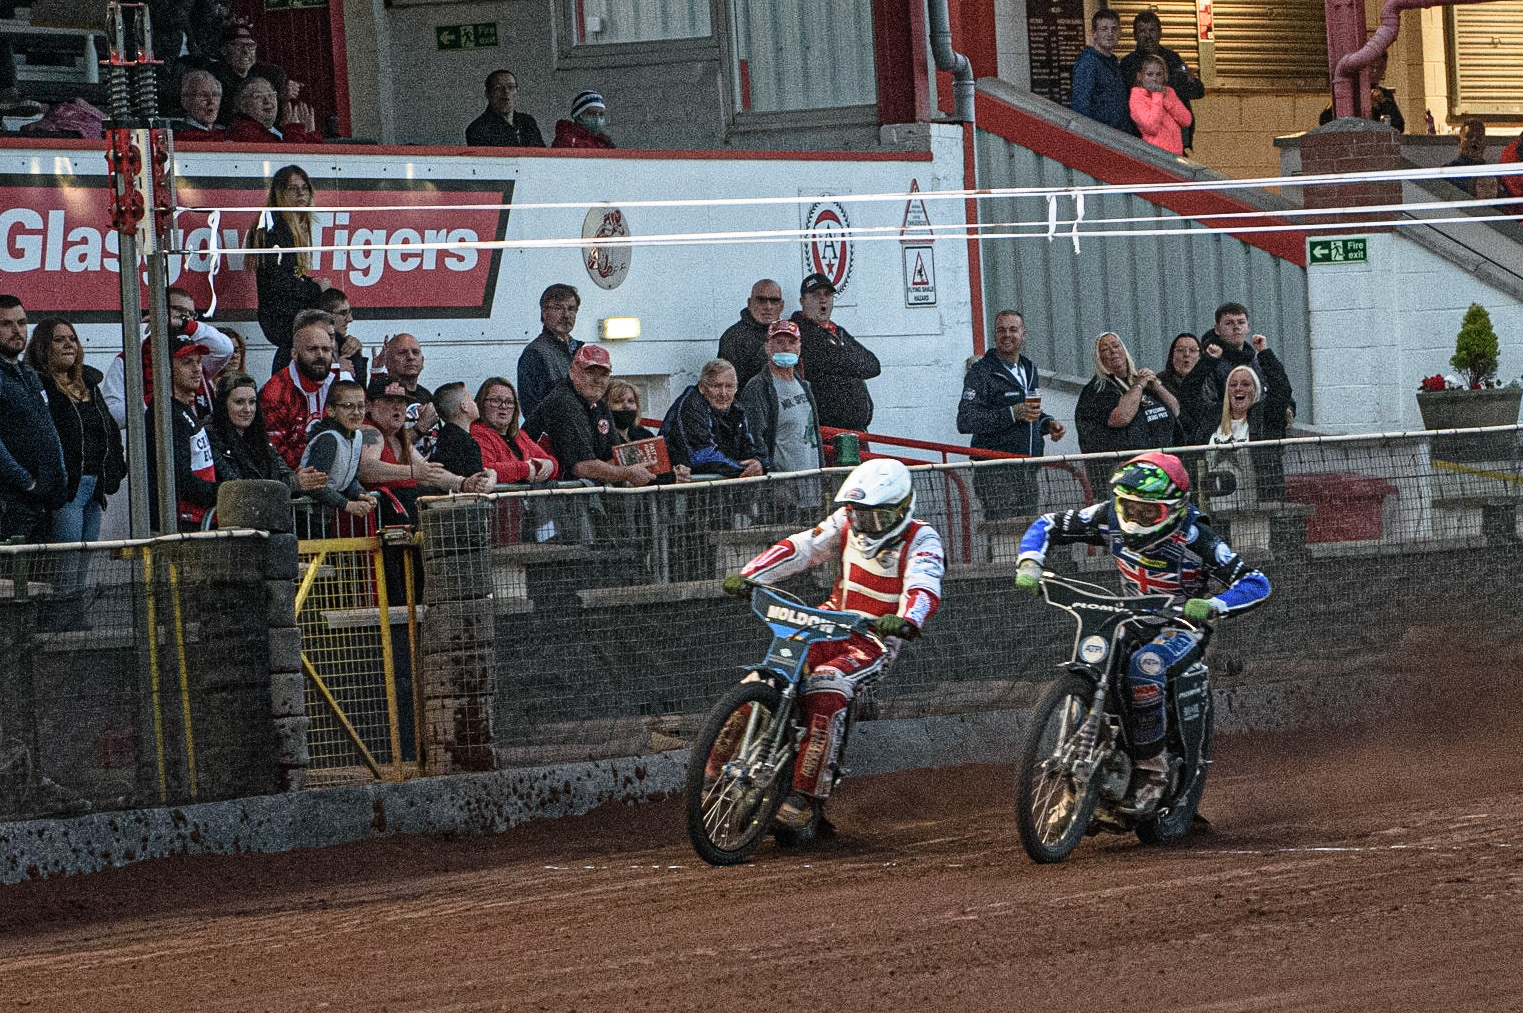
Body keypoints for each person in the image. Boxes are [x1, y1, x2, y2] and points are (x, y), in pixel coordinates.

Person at [1016, 452, 1270, 805]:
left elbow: (1255, 582)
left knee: (1145, 666)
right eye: (1128, 508)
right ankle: (1077, 783)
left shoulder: (1197, 537)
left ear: (1175, 509)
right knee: (1092, 659)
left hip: (1182, 625)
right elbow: (1048, 524)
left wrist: (1214, 604)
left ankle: (1153, 769)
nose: (1134, 519)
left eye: (1147, 513)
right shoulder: (1108, 516)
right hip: (1127, 618)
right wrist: (1030, 562)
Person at [723, 459, 944, 830]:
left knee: (827, 687)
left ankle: (804, 798)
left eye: (876, 518)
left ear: (902, 510)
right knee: (764, 678)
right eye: (858, 515)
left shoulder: (923, 539)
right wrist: (751, 574)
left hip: (874, 638)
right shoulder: (844, 520)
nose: (864, 525)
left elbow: (924, 584)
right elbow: (804, 547)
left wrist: (908, 619)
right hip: (827, 622)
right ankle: (711, 773)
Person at [957, 310, 1066, 519]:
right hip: (995, 472)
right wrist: (1011, 413)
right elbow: (966, 420)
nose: (1007, 335)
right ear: (995, 335)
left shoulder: (1029, 368)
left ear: (1023, 335)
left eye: (1013, 329)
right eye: (1001, 330)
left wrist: (1047, 423)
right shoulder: (981, 373)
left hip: (1029, 469)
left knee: (1026, 531)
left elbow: (1031, 410)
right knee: (1003, 532)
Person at [24, 318, 125, 542]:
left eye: (72, 339)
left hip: (95, 487)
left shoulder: (89, 385)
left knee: (86, 557)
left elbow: (110, 430)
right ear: (43, 347)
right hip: (66, 490)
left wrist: (117, 470)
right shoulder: (38, 386)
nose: (69, 344)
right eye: (59, 340)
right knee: (66, 559)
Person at [522, 344, 654, 487]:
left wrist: (648, 463)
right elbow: (581, 467)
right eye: (590, 372)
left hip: (568, 491)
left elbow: (614, 457)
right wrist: (627, 473)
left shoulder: (600, 405)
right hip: (544, 491)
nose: (598, 380)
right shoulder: (564, 401)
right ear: (572, 373)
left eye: (604, 374)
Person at [104, 285, 236, 427]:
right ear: (158, 310)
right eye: (179, 310)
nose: (185, 317)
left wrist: (186, 325)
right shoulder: (129, 360)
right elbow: (112, 414)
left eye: (190, 314)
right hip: (153, 437)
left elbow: (226, 349)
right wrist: (161, 402)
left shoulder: (197, 353)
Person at [247, 165, 330, 374]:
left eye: (305, 188)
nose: (301, 193)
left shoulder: (289, 224)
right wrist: (315, 289)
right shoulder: (274, 227)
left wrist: (311, 282)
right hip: (281, 317)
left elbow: (289, 274)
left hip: (285, 315)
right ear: (279, 192)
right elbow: (279, 281)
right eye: (293, 188)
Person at [0, 296, 67, 542]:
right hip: (10, 503)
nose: (17, 330)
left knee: (42, 568)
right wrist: (26, 482)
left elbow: (48, 429)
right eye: (6, 324)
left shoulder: (29, 374)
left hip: (42, 499)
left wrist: (59, 478)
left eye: (21, 322)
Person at [147, 333, 221, 532]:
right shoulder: (166, 413)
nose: (197, 369)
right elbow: (178, 478)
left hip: (199, 518)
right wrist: (222, 492)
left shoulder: (182, 408)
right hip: (182, 522)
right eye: (187, 362)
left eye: (198, 361)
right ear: (166, 368)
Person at [207, 372, 327, 494]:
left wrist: (299, 480)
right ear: (223, 404)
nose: (247, 409)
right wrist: (294, 483)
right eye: (239, 402)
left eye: (252, 402)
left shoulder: (258, 436)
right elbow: (238, 489)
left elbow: (285, 472)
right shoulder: (210, 437)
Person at [791, 273, 880, 432]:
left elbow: (873, 365)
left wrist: (847, 363)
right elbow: (833, 359)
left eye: (827, 294)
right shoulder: (799, 332)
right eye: (815, 295)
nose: (822, 299)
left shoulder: (837, 331)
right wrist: (852, 362)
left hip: (856, 429)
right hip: (825, 431)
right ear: (802, 301)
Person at [260, 310, 344, 469]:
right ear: (294, 353)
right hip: (294, 475)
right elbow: (274, 449)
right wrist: (302, 475)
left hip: (336, 470)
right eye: (312, 349)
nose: (320, 355)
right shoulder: (276, 391)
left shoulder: (339, 383)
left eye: (326, 350)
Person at [1199, 303, 1295, 439]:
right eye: (1229, 323)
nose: (1236, 327)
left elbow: (1281, 390)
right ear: (1217, 329)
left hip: (1260, 429)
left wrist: (1287, 409)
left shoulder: (1260, 362)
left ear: (1248, 327)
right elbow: (1206, 402)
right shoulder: (1209, 363)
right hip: (1224, 430)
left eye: (1241, 322)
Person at [738, 319, 823, 474]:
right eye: (779, 342)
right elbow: (753, 436)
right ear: (767, 347)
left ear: (799, 348)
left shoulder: (804, 385)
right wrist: (766, 468)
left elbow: (814, 433)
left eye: (792, 342)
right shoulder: (758, 387)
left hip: (812, 477)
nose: (786, 347)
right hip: (781, 481)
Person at [1076, 332, 1180, 455]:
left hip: (1163, 457)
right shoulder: (1096, 390)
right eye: (1105, 349)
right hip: (1125, 461)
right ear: (1099, 358)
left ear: (1124, 351)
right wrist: (1139, 386)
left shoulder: (1142, 381)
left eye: (1116, 346)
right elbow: (1122, 418)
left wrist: (1156, 386)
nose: (1112, 351)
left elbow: (1175, 410)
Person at [660, 360, 765, 479]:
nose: (723, 393)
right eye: (717, 386)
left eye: (729, 386)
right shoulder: (691, 406)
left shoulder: (737, 409)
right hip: (681, 483)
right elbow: (701, 456)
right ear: (702, 387)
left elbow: (750, 447)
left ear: (736, 388)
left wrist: (758, 463)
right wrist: (744, 469)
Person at [1118, 11, 1204, 149]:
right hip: (1143, 139)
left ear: (1160, 32)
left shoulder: (1173, 58)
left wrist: (1180, 84)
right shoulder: (1128, 64)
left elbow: (1198, 90)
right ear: (1135, 35)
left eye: (1152, 30)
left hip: (1175, 138)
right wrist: (1174, 84)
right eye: (1142, 31)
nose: (1148, 36)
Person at [299, 380, 376, 520]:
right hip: (306, 517)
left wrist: (360, 494)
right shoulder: (328, 439)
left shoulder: (358, 436)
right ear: (331, 410)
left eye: (361, 406)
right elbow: (314, 485)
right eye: (348, 406)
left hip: (327, 515)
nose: (356, 412)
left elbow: (350, 478)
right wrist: (346, 504)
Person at [471, 378, 558, 484]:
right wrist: (525, 469)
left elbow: (546, 459)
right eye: (496, 401)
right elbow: (485, 469)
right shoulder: (476, 433)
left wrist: (550, 465)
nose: (503, 406)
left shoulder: (520, 435)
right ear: (481, 404)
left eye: (509, 402)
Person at [517, 283, 584, 418]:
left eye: (571, 308)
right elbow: (531, 409)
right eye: (558, 308)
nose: (566, 315)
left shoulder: (582, 350)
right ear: (544, 311)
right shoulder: (535, 353)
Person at [1070, 8, 1134, 135]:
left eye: (1114, 29)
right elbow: (1081, 107)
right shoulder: (1088, 63)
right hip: (1100, 139)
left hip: (1119, 138)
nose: (1110, 33)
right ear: (1094, 33)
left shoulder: (1113, 62)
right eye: (1104, 29)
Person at [426, 382, 498, 494]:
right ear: (464, 406)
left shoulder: (443, 436)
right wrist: (493, 475)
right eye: (472, 400)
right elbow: (477, 485)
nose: (476, 403)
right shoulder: (467, 443)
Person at [718, 279, 786, 390]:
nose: (768, 306)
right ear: (749, 303)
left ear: (781, 306)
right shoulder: (733, 337)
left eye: (774, 301)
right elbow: (729, 388)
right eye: (761, 300)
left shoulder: (790, 335)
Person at [1157, 332, 1219, 447]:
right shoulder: (1159, 383)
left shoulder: (1213, 380)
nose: (1186, 355)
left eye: (1193, 350)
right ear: (1172, 355)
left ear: (1200, 355)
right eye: (1180, 350)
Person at [226, 74, 321, 145]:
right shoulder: (244, 130)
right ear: (242, 105)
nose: (267, 101)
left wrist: (310, 134)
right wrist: (294, 130)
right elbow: (290, 161)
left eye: (271, 95)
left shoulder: (278, 129)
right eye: (258, 96)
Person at [1128, 54, 1191, 156]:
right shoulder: (1137, 97)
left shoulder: (1168, 92)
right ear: (1140, 76)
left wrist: (1166, 100)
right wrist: (1157, 95)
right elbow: (1151, 127)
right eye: (1149, 74)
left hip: (1176, 154)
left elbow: (1186, 120)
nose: (1154, 78)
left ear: (1164, 76)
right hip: (1155, 155)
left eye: (1158, 74)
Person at [465, 69, 545, 148]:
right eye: (498, 88)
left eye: (511, 87)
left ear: (517, 91)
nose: (506, 91)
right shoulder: (477, 128)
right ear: (487, 94)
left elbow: (541, 153)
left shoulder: (528, 122)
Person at [319, 287, 368, 388]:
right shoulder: (304, 346)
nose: (350, 319)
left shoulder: (347, 345)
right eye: (343, 313)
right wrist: (335, 369)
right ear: (325, 315)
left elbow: (361, 390)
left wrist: (358, 356)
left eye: (350, 313)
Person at [1445, 119, 1494, 199]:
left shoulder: (1493, 173)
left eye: (1479, 137)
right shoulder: (1448, 173)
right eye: (1469, 136)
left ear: (1485, 143)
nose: (1475, 140)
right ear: (1459, 142)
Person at [175, 69, 225, 140]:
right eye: (203, 95)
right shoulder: (180, 136)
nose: (211, 101)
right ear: (186, 101)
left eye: (215, 95)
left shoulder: (226, 134)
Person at [607, 380, 657, 444]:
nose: (626, 405)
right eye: (618, 401)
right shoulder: (602, 439)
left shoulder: (645, 435)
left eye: (631, 401)